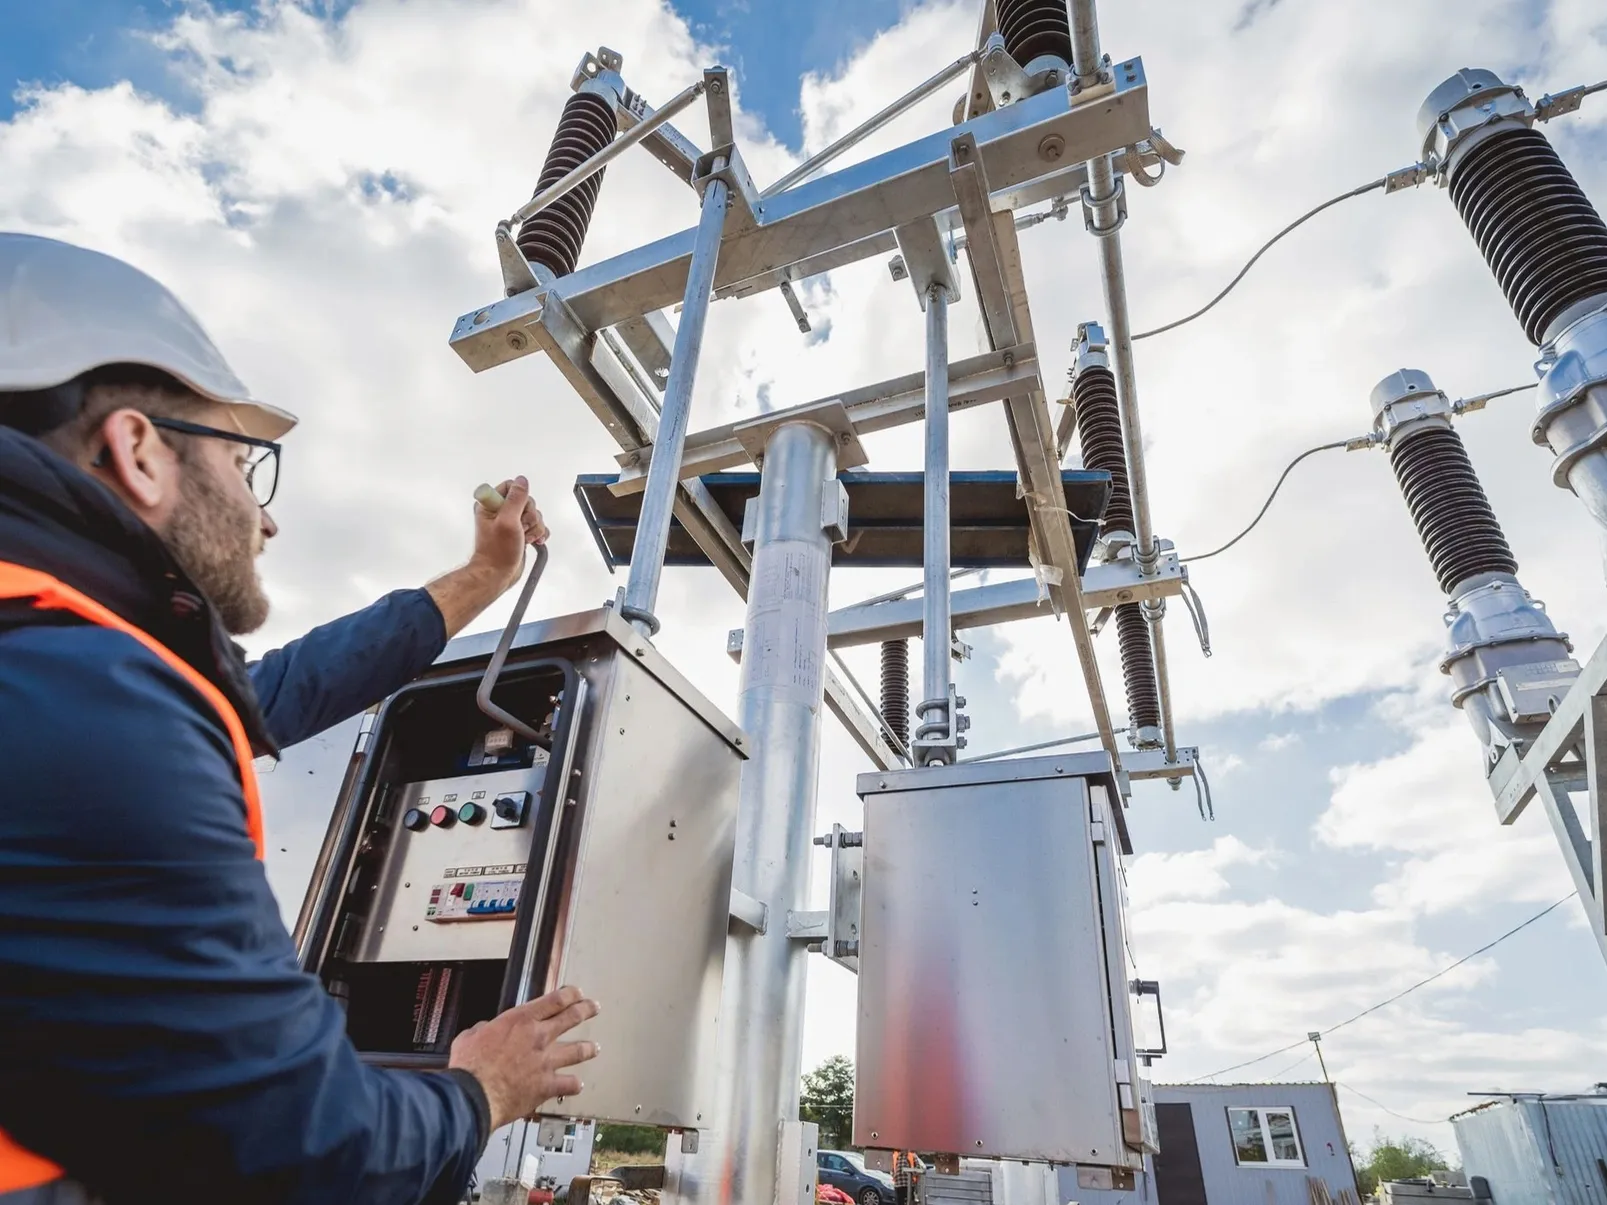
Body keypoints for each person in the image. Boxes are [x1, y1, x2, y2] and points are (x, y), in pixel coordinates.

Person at [0, 232, 600, 1205]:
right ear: (138, 449)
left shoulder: (53, 655)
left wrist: (485, 575)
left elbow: (277, 691)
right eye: (246, 464)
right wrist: (482, 1087)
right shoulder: (90, 711)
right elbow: (304, 1150)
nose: (263, 518)